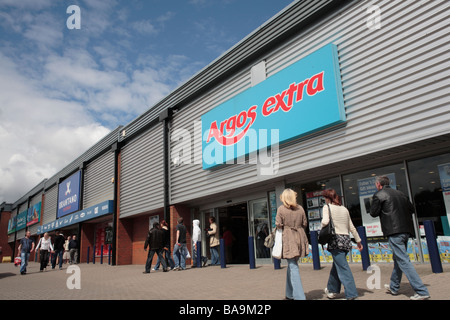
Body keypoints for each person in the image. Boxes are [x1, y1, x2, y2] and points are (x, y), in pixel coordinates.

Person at [370, 175, 430, 300]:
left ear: (378, 185)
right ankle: (394, 286)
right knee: (399, 260)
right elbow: (412, 209)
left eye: (375, 184)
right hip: (405, 230)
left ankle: (422, 291)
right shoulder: (401, 194)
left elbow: (373, 213)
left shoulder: (379, 195)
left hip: (394, 231)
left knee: (403, 260)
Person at [321, 189, 363, 300]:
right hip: (346, 240)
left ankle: (351, 293)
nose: (324, 200)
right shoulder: (344, 209)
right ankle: (332, 289)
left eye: (325, 198)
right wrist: (358, 241)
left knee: (343, 268)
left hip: (335, 240)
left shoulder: (327, 207)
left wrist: (322, 225)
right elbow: (352, 227)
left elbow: (325, 222)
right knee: (337, 265)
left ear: (329, 198)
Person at [275, 188, 309, 300]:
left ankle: (299, 297)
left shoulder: (281, 209)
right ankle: (289, 293)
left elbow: (278, 224)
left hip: (288, 238)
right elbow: (305, 223)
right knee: (292, 264)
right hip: (299, 237)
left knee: (293, 266)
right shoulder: (300, 209)